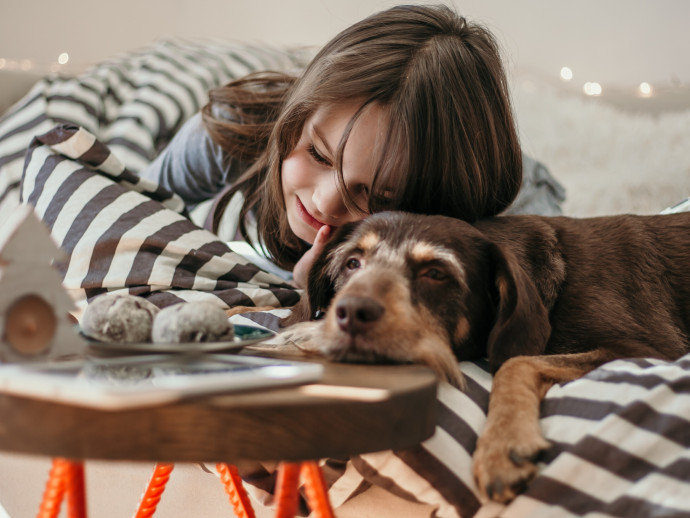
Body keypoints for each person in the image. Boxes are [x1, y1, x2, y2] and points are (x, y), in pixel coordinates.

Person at [139, 3, 564, 288]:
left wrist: (329, 287)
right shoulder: (232, 131)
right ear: (296, 119)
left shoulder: (483, 220)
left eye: (377, 195)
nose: (324, 203)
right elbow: (129, 211)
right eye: (318, 155)